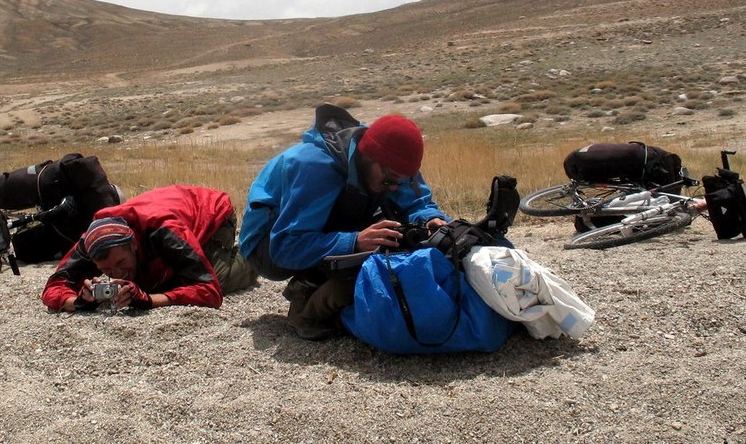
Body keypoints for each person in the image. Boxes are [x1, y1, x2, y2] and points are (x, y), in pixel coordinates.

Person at [238, 104, 449, 340]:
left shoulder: (392, 161)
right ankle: (305, 295)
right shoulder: (315, 167)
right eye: (388, 180)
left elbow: (416, 203)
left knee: (394, 230)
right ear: (367, 156)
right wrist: (354, 242)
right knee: (369, 237)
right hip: (267, 247)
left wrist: (432, 219)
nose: (393, 187)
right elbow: (285, 247)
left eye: (400, 181)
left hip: (302, 231)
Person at [42, 185, 256, 313]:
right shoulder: (92, 240)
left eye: (120, 263)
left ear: (133, 244)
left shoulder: (164, 231)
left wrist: (149, 300)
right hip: (173, 211)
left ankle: (253, 253)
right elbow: (53, 287)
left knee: (218, 280)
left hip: (212, 213)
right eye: (106, 270)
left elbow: (210, 292)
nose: (117, 273)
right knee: (161, 281)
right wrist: (78, 302)